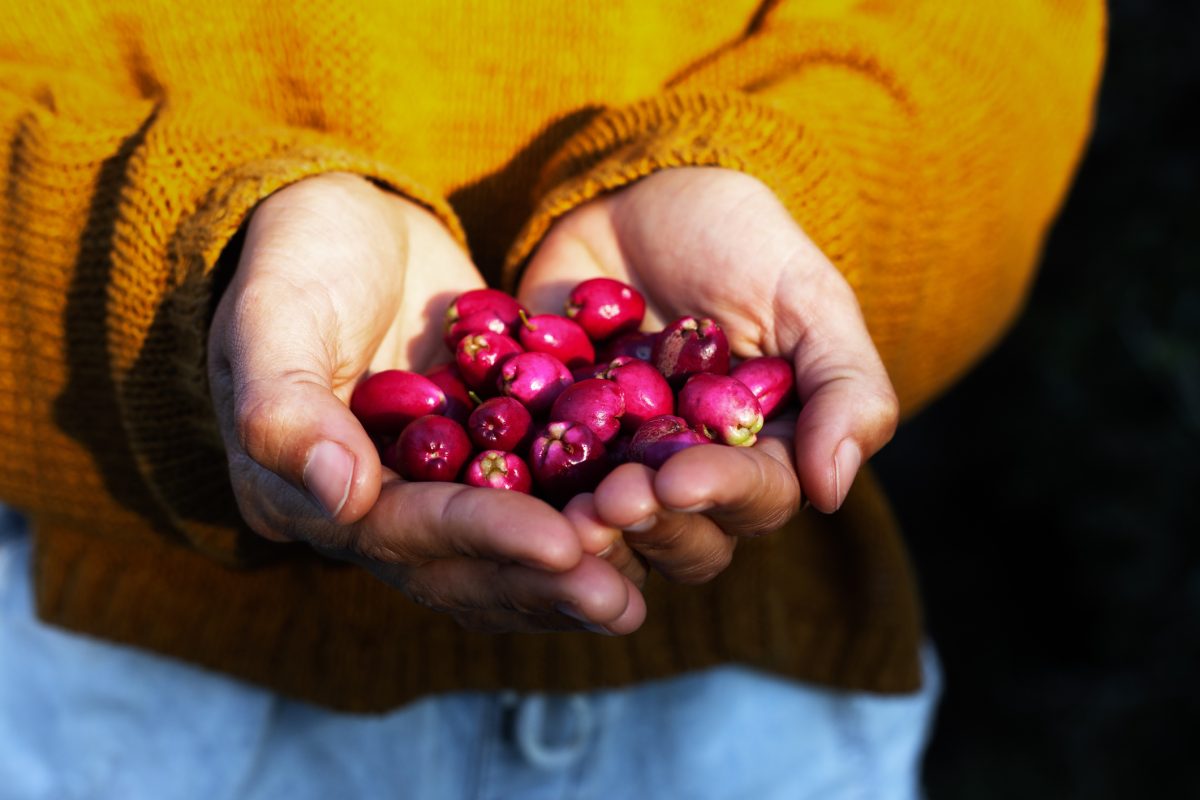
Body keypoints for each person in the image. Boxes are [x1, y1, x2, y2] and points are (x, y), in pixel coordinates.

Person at [0, 1, 1105, 797]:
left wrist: (813, 196)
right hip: (145, 705)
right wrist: (196, 293)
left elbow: (995, 37)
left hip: (740, 710)